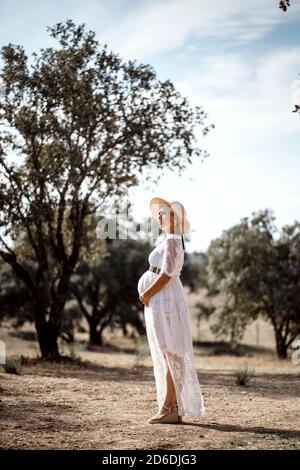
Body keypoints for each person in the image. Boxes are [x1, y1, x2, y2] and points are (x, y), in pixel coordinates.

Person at [137, 197, 205, 424]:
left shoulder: (173, 241)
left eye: (164, 213)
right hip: (162, 300)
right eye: (159, 213)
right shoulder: (169, 240)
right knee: (168, 353)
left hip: (165, 301)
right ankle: (170, 406)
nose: (159, 216)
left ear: (174, 217)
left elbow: (167, 274)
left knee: (172, 352)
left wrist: (147, 294)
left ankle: (170, 407)